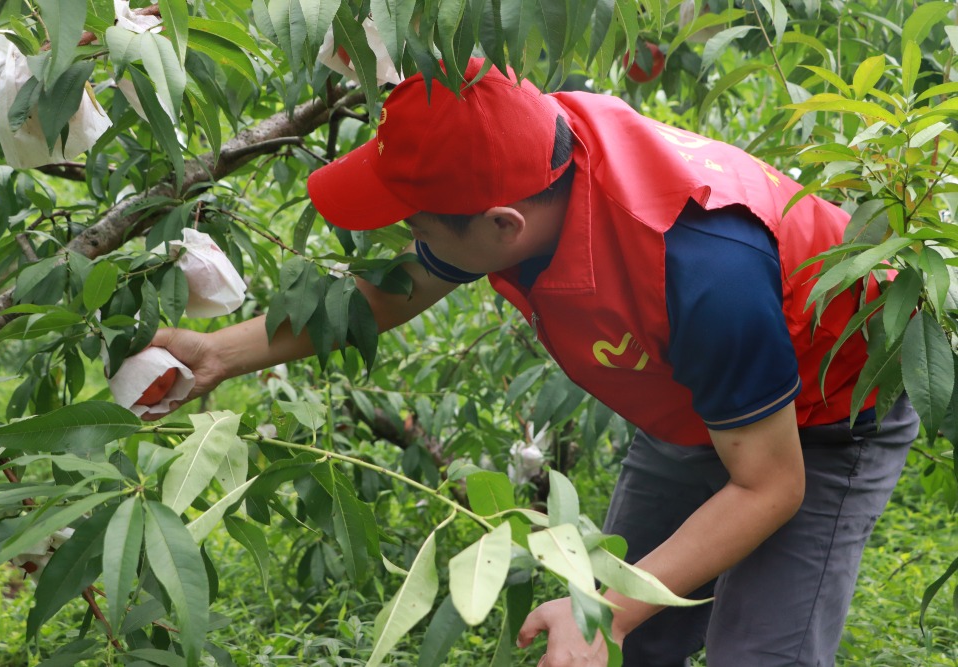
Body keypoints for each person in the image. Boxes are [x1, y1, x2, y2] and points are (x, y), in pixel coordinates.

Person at [149, 58, 919, 666]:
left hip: (826, 414)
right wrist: (218, 353)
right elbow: (397, 288)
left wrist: (608, 610)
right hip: (693, 400)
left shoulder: (703, 267)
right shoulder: (526, 151)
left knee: (750, 649)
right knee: (624, 637)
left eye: (419, 227)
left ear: (502, 226)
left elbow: (770, 484)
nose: (412, 243)